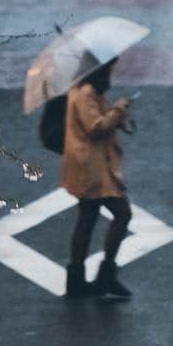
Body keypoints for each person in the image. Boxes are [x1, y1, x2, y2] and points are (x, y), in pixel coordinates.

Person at [60, 59, 133, 299]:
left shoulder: (88, 89)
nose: (111, 75)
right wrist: (119, 109)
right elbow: (96, 126)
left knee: (87, 218)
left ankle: (76, 281)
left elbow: (98, 120)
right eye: (109, 69)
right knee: (123, 214)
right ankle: (106, 276)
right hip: (92, 167)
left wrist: (117, 119)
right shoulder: (86, 92)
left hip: (89, 164)